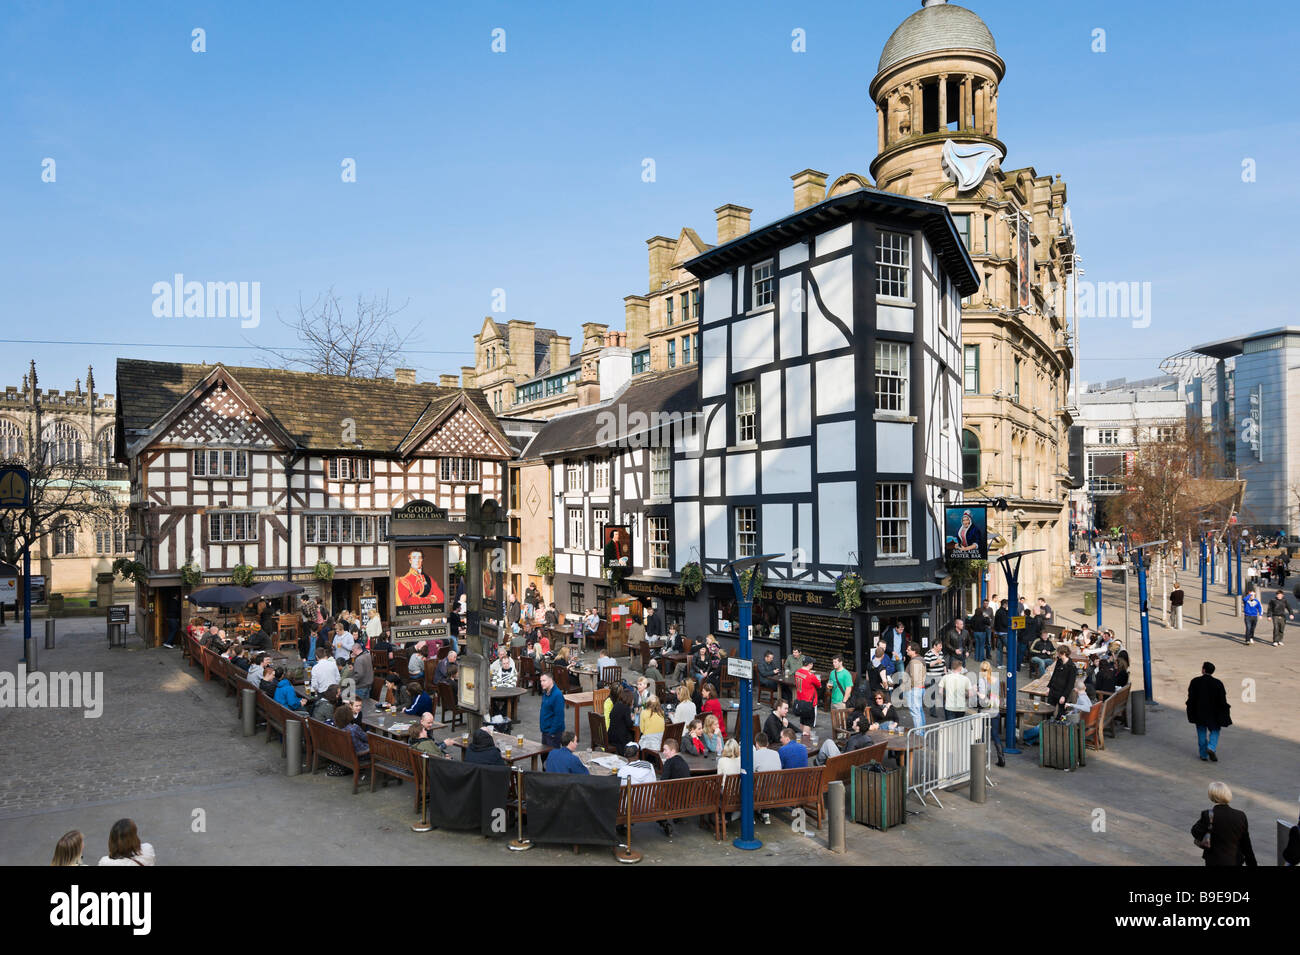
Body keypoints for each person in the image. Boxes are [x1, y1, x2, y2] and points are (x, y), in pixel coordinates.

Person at [1191, 781, 1257, 866]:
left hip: (1214, 861)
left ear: (1211, 796)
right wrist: (1252, 863)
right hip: (1235, 861)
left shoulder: (1208, 815)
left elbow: (1195, 832)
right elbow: (1246, 844)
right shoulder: (1240, 815)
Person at [1186, 661, 1231, 762]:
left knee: (1201, 733)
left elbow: (1191, 697)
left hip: (1199, 712)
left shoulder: (1195, 681)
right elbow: (1222, 700)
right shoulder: (1218, 683)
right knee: (1215, 731)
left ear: (1204, 670)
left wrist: (1191, 710)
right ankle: (1211, 747)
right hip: (1214, 714)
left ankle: (1203, 755)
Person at [1046, 645, 1077, 718]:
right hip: (1053, 690)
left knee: (1061, 714)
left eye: (1058, 653)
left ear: (1063, 653)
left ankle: (1058, 727)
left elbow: (1070, 684)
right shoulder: (1059, 661)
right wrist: (1049, 687)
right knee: (1049, 710)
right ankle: (1047, 725)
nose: (1057, 654)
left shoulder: (1072, 667)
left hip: (1062, 692)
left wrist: (1064, 696)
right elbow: (1054, 674)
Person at [903, 642, 927, 728]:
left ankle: (919, 734)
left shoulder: (915, 661)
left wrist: (908, 688)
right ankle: (922, 732)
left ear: (914, 651)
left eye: (908, 650)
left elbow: (914, 678)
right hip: (920, 688)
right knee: (919, 711)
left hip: (915, 689)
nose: (906, 651)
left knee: (915, 712)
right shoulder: (920, 659)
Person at [793, 657, 821, 728]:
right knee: (808, 724)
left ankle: (802, 736)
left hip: (800, 700)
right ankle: (806, 737)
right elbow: (819, 685)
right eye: (812, 663)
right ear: (810, 664)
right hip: (809, 702)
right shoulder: (811, 675)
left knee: (802, 721)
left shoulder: (797, 672)